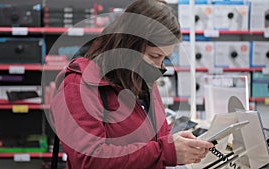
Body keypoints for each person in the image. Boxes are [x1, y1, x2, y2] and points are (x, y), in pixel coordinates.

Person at [50, 0, 214, 168]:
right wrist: (166, 151)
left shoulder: (140, 80)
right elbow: (88, 161)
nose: (159, 66)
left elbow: (154, 137)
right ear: (129, 45)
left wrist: (175, 141)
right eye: (154, 56)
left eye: (165, 58)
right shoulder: (78, 85)